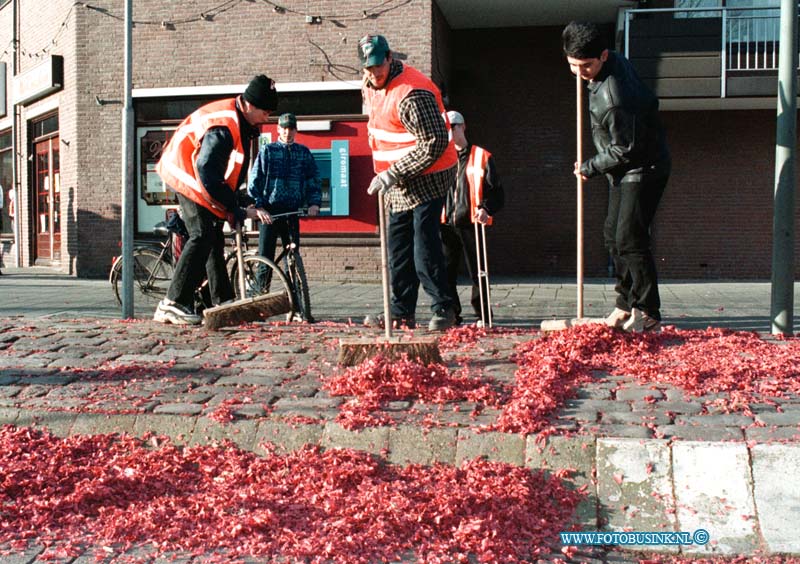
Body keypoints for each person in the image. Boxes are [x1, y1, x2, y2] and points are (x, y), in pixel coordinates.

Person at [562, 21, 671, 332]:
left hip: (643, 165)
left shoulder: (615, 97)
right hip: (624, 166)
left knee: (630, 238)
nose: (580, 72)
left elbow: (626, 149)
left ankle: (648, 312)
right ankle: (624, 306)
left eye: (586, 66)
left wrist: (589, 167)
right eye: (573, 65)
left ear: (605, 56)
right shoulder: (607, 65)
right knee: (613, 235)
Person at [153, 74, 279, 325]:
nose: (268, 117)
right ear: (251, 105)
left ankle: (222, 300)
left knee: (213, 237)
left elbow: (226, 175)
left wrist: (239, 202)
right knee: (201, 234)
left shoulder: (241, 124)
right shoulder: (225, 126)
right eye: (266, 112)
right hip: (187, 176)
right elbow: (208, 172)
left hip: (199, 178)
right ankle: (172, 302)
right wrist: (237, 209)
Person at [359, 34, 458, 332]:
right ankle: (401, 311)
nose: (374, 73)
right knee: (398, 247)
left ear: (389, 58)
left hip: (430, 174)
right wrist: (389, 174)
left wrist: (391, 173)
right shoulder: (368, 85)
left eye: (379, 65)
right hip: (399, 182)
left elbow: (435, 142)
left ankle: (445, 308)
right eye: (369, 68)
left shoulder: (412, 93)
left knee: (423, 245)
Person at [247, 112, 321, 321]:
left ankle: (297, 308)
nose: (288, 132)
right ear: (278, 129)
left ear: (296, 130)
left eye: (292, 128)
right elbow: (255, 182)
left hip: (292, 212)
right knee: (265, 260)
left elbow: (313, 179)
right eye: (284, 128)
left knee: (293, 261)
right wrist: (260, 207)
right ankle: (258, 308)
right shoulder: (267, 151)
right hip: (270, 213)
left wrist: (314, 202)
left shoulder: (303, 153)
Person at [440, 110, 504, 326]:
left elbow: (497, 192)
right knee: (446, 272)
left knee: (479, 271)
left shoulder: (482, 156)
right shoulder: (441, 158)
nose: (449, 132)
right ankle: (452, 314)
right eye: (445, 128)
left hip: (471, 223)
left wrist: (486, 209)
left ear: (463, 126)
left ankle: (483, 314)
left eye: (453, 127)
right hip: (446, 223)